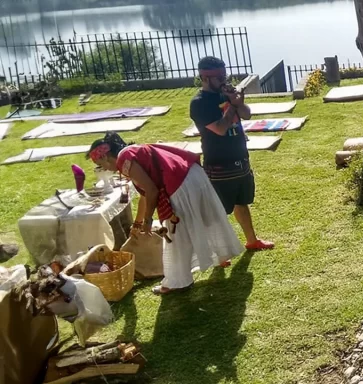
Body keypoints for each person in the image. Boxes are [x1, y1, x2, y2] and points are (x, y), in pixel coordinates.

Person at [88, 133, 243, 295]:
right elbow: (144, 195)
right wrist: (138, 223)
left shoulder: (124, 160)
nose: (104, 169)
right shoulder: (130, 154)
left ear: (105, 156)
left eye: (100, 165)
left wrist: (148, 220)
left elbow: (152, 191)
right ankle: (221, 254)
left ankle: (175, 281)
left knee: (176, 234)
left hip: (180, 183)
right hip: (192, 175)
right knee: (204, 218)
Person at [191, 56, 275, 250]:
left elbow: (246, 114)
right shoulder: (199, 103)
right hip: (219, 163)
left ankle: (252, 240)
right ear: (205, 78)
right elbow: (220, 128)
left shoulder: (226, 94)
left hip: (240, 158)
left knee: (242, 202)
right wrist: (231, 105)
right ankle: (219, 252)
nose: (224, 80)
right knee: (217, 211)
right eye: (219, 77)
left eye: (224, 75)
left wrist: (237, 102)